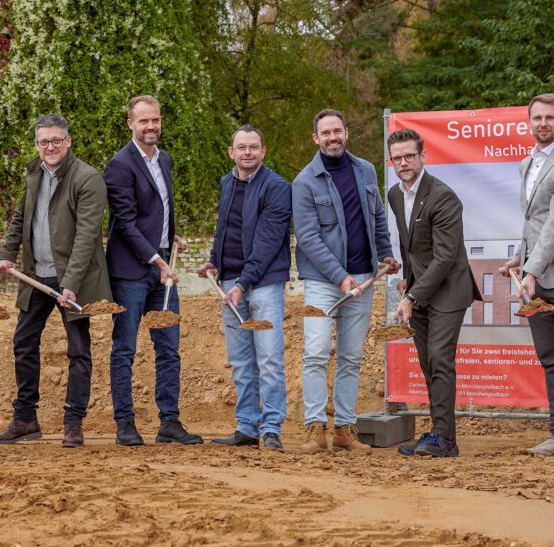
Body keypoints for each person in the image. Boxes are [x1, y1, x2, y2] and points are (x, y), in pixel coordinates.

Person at [0, 114, 111, 449]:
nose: (50, 146)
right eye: (44, 141)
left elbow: (87, 237)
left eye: (56, 140)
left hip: (75, 280)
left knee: (78, 350)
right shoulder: (34, 174)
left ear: (68, 141)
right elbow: (20, 217)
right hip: (35, 276)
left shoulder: (87, 178)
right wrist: (6, 253)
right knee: (23, 342)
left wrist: (69, 283)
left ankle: (73, 423)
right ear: (37, 145)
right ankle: (26, 419)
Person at [292, 108, 398, 453]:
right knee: (316, 353)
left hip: (364, 278)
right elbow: (307, 238)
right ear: (316, 138)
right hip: (323, 282)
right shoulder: (305, 181)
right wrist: (340, 278)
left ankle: (344, 430)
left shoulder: (365, 170)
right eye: (326, 133)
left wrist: (384, 253)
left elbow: (377, 217)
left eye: (337, 131)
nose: (332, 137)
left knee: (351, 357)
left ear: (347, 133)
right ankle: (314, 428)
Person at [104, 95, 202, 446]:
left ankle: (169, 423)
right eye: (144, 121)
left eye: (156, 120)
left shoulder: (165, 160)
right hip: (131, 272)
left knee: (169, 348)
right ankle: (125, 424)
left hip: (163, 266)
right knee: (125, 349)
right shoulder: (119, 165)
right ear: (130, 123)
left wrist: (169, 237)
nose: (151, 127)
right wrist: (157, 261)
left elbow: (156, 210)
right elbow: (126, 224)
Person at [387, 129, 482, 458]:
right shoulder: (395, 195)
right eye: (397, 158)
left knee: (440, 358)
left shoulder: (443, 197)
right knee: (429, 362)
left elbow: (444, 258)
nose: (404, 163)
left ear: (422, 156)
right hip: (421, 288)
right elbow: (408, 243)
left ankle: (444, 439)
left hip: (450, 290)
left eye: (409, 156)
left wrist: (411, 297)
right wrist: (407, 280)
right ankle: (441, 434)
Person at [197, 125, 291, 449]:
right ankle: (248, 426)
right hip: (230, 282)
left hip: (262, 284)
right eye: (242, 147)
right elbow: (224, 228)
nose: (247, 152)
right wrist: (213, 261)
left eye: (253, 147)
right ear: (231, 152)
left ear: (263, 151)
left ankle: (272, 427)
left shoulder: (277, 187)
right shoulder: (227, 183)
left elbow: (267, 242)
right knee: (241, 361)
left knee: (268, 358)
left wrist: (242, 283)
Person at [501, 93, 554, 458]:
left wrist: (531, 270)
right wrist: (521, 258)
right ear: (529, 121)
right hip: (536, 276)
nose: (543, 124)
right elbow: (534, 222)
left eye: (550, 118)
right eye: (537, 118)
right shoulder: (525, 164)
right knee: (549, 355)